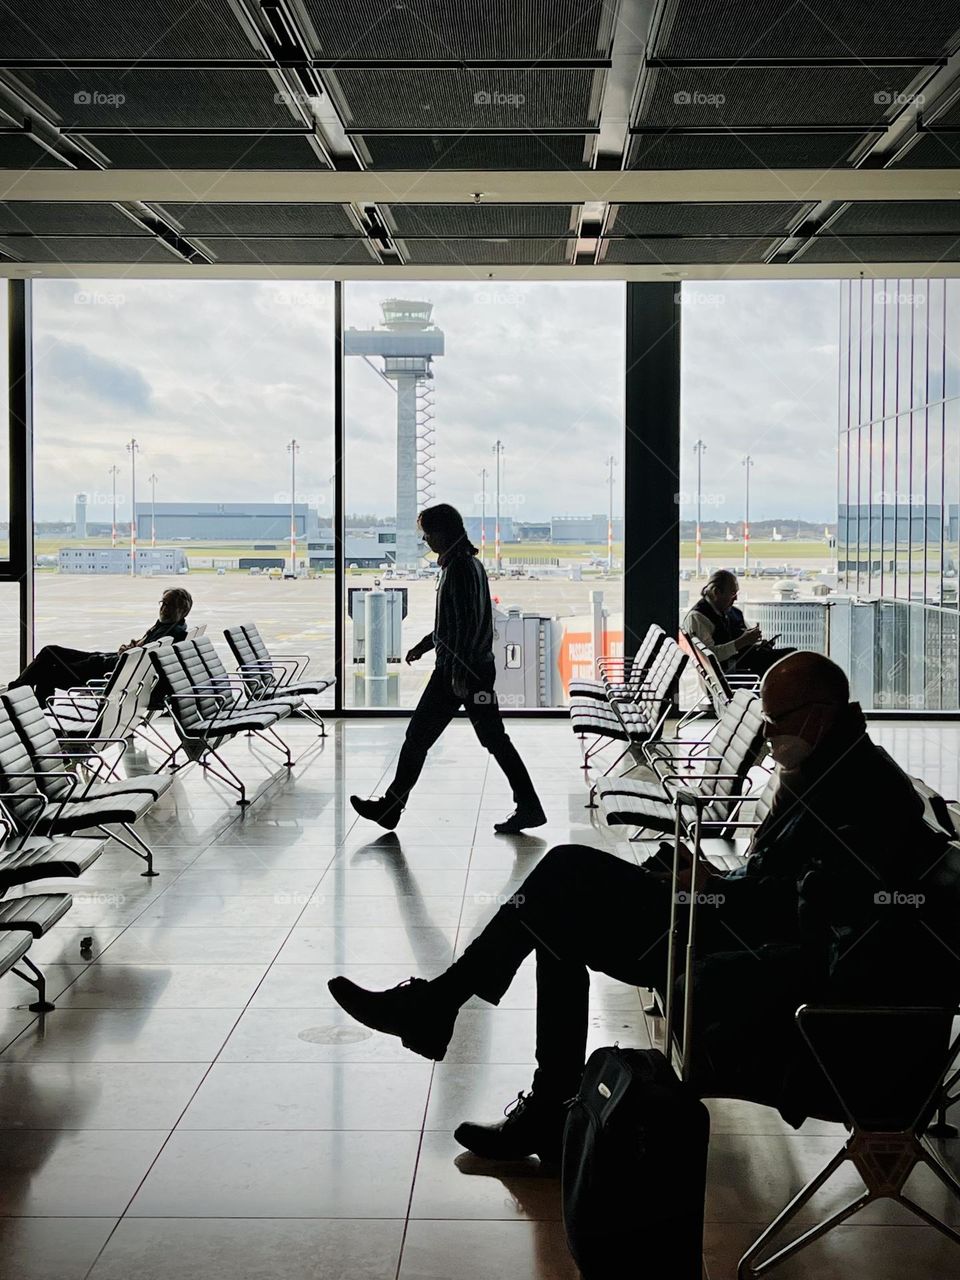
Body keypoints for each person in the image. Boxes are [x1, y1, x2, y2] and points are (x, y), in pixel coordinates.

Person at [329, 652, 958, 1160]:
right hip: (728, 919)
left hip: (736, 949)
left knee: (562, 881)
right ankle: (524, 1086)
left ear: (816, 718)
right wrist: (713, 877)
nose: (768, 740)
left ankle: (448, 1015)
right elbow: (790, 889)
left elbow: (808, 918)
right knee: (557, 901)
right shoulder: (835, 768)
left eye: (774, 724)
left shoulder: (858, 796)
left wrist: (711, 887)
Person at [350, 503, 546, 835]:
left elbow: (465, 626)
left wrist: (457, 671)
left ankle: (391, 807)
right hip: (468, 669)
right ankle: (528, 806)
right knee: (489, 739)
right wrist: (425, 646)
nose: (426, 540)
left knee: (420, 738)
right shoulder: (465, 565)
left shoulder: (459, 568)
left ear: (444, 531)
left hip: (460, 673)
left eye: (428, 532)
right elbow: (451, 624)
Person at [9, 586, 194, 707]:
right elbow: (143, 650)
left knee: (44, 672)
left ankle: (22, 703)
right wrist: (133, 646)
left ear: (183, 610)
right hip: (106, 661)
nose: (163, 608)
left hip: (102, 672)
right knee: (50, 651)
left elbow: (138, 659)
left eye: (169, 605)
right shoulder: (171, 628)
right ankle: (21, 696)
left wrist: (126, 653)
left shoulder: (169, 632)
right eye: (162, 603)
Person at [683, 568, 790, 677]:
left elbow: (744, 637)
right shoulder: (698, 618)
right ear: (716, 592)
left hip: (746, 663)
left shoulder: (733, 612)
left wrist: (757, 644)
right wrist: (741, 642)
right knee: (791, 659)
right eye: (733, 593)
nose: (736, 598)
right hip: (735, 671)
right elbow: (708, 656)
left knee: (792, 655)